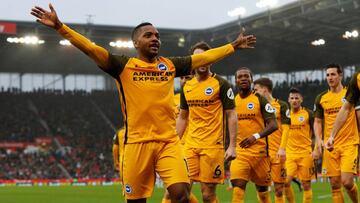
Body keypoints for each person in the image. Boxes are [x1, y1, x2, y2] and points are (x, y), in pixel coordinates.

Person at [30, 4, 256, 203]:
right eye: (148, 35)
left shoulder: (169, 65)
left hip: (168, 142)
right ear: (136, 42)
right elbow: (90, 48)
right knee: (136, 201)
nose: (155, 38)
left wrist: (232, 47)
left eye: (157, 35)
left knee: (181, 194)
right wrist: (60, 27)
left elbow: (203, 58)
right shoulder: (123, 66)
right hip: (137, 144)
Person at [177, 42, 237, 203]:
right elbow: (183, 117)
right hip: (190, 145)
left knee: (207, 195)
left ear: (211, 59)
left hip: (212, 147)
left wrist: (232, 145)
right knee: (180, 192)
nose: (202, 61)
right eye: (198, 58)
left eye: (205, 57)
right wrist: (174, 143)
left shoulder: (221, 84)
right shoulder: (187, 86)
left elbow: (231, 114)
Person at [230, 67, 278, 203]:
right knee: (238, 187)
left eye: (246, 76)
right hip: (240, 152)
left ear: (251, 80)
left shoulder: (260, 100)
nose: (243, 78)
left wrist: (255, 136)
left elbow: (274, 125)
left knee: (263, 192)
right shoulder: (232, 102)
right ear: (236, 81)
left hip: (260, 153)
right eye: (240, 77)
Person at [323, 65, 359, 203]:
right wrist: (324, 140)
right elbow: (318, 122)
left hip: (349, 143)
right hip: (332, 146)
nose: (330, 77)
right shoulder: (322, 98)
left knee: (347, 182)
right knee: (335, 185)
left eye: (333, 74)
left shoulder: (350, 91)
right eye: (328, 75)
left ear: (340, 75)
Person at [162, 75, 199, 203]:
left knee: (205, 192)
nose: (184, 80)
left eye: (188, 77)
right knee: (175, 194)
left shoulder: (202, 98)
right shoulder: (172, 99)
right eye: (182, 78)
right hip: (175, 148)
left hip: (193, 147)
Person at [253, 77, 290, 203]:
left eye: (256, 89)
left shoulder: (282, 105)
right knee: (261, 189)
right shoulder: (255, 107)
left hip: (276, 152)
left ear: (264, 90)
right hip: (260, 153)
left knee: (279, 189)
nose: (253, 92)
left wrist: (282, 148)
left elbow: (286, 129)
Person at [285, 87, 315, 203]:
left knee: (306, 185)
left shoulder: (308, 114)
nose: (294, 100)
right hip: (289, 155)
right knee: (286, 182)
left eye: (297, 98)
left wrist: (316, 146)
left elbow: (317, 130)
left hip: (305, 154)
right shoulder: (285, 115)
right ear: (288, 100)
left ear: (301, 99)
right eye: (292, 98)